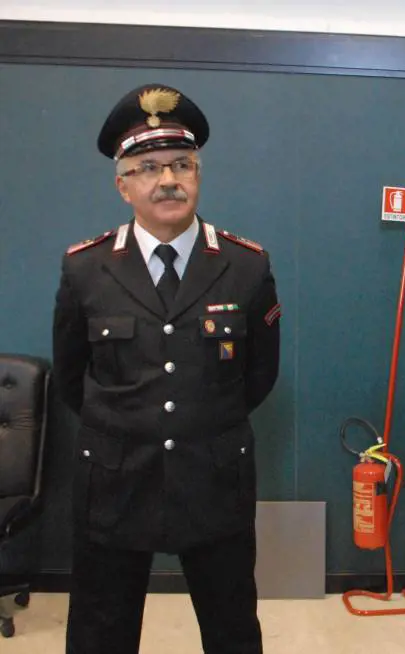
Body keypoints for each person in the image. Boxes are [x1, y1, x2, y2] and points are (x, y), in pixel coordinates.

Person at [52, 83, 280, 654]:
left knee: (232, 628)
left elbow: (260, 375)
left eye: (182, 164)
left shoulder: (246, 266)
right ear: (123, 185)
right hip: (115, 478)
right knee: (101, 631)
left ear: (198, 174)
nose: (168, 180)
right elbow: (73, 376)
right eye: (148, 168)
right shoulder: (85, 269)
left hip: (213, 475)